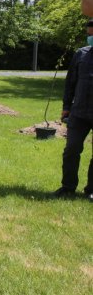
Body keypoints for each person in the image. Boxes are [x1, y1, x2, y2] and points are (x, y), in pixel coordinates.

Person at [56, 18, 93, 201]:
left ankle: (91, 190)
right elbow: (70, 83)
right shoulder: (81, 54)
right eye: (88, 34)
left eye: (92, 34)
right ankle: (68, 187)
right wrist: (66, 108)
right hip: (79, 112)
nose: (90, 37)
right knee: (71, 149)